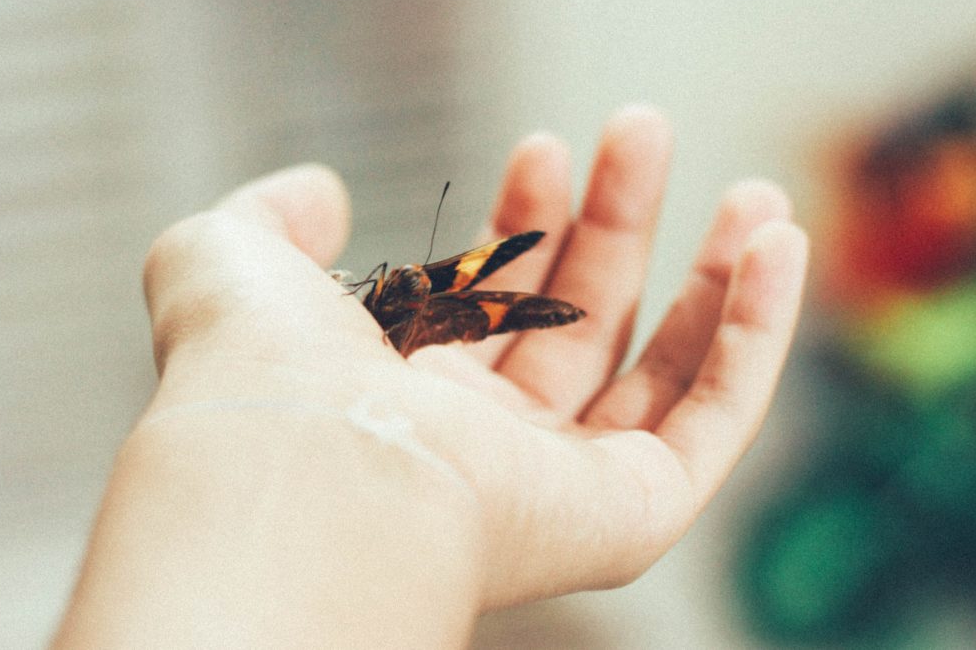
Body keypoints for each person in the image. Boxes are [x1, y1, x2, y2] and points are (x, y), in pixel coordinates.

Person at [51, 105, 808, 648]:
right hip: (376, 366)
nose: (404, 281)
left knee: (499, 301)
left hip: (403, 356)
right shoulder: (393, 286)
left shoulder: (431, 294)